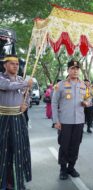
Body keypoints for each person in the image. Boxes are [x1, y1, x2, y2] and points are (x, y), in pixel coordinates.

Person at [52, 60, 89, 180]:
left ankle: (71, 167)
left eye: (77, 68)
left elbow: (89, 99)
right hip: (65, 121)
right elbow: (54, 102)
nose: (75, 71)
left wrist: (86, 103)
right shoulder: (60, 85)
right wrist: (56, 120)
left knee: (75, 145)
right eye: (72, 68)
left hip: (79, 121)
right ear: (68, 70)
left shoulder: (83, 85)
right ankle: (63, 168)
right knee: (64, 145)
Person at [0, 55, 33, 190]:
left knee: (20, 150)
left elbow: (28, 94)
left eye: (17, 64)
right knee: (3, 151)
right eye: (12, 63)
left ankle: (19, 182)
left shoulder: (20, 79)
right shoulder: (1, 78)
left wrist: (26, 103)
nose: (15, 66)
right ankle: (5, 182)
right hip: (3, 118)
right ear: (4, 65)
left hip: (19, 118)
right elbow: (7, 86)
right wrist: (26, 83)